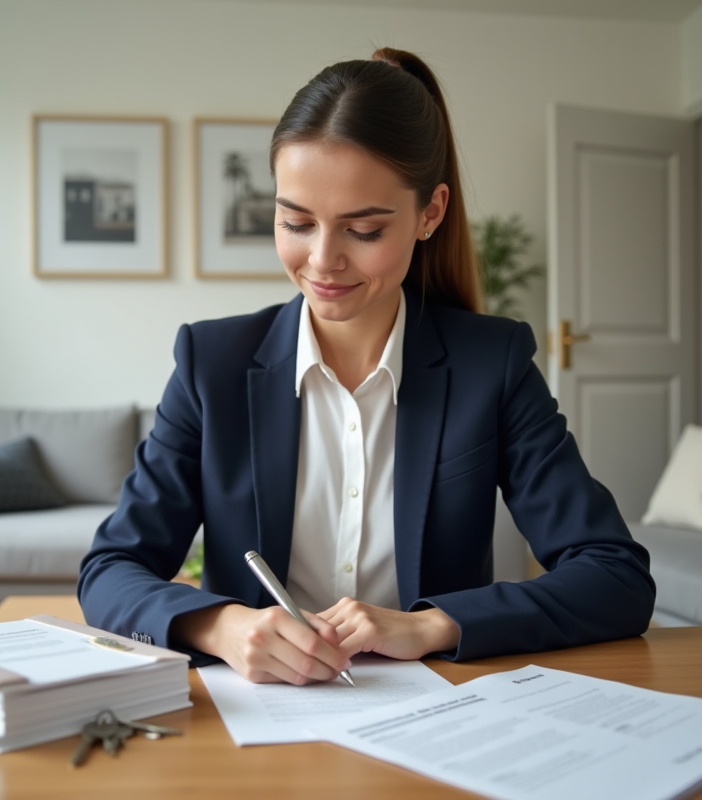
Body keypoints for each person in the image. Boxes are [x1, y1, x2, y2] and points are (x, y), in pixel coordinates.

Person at [78, 47, 654, 685]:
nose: (322, 261)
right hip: (254, 723)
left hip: (440, 714)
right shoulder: (211, 364)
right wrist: (224, 626)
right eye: (296, 222)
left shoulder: (493, 364)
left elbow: (614, 576)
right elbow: (110, 570)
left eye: (364, 231)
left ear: (429, 214)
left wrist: (432, 624)